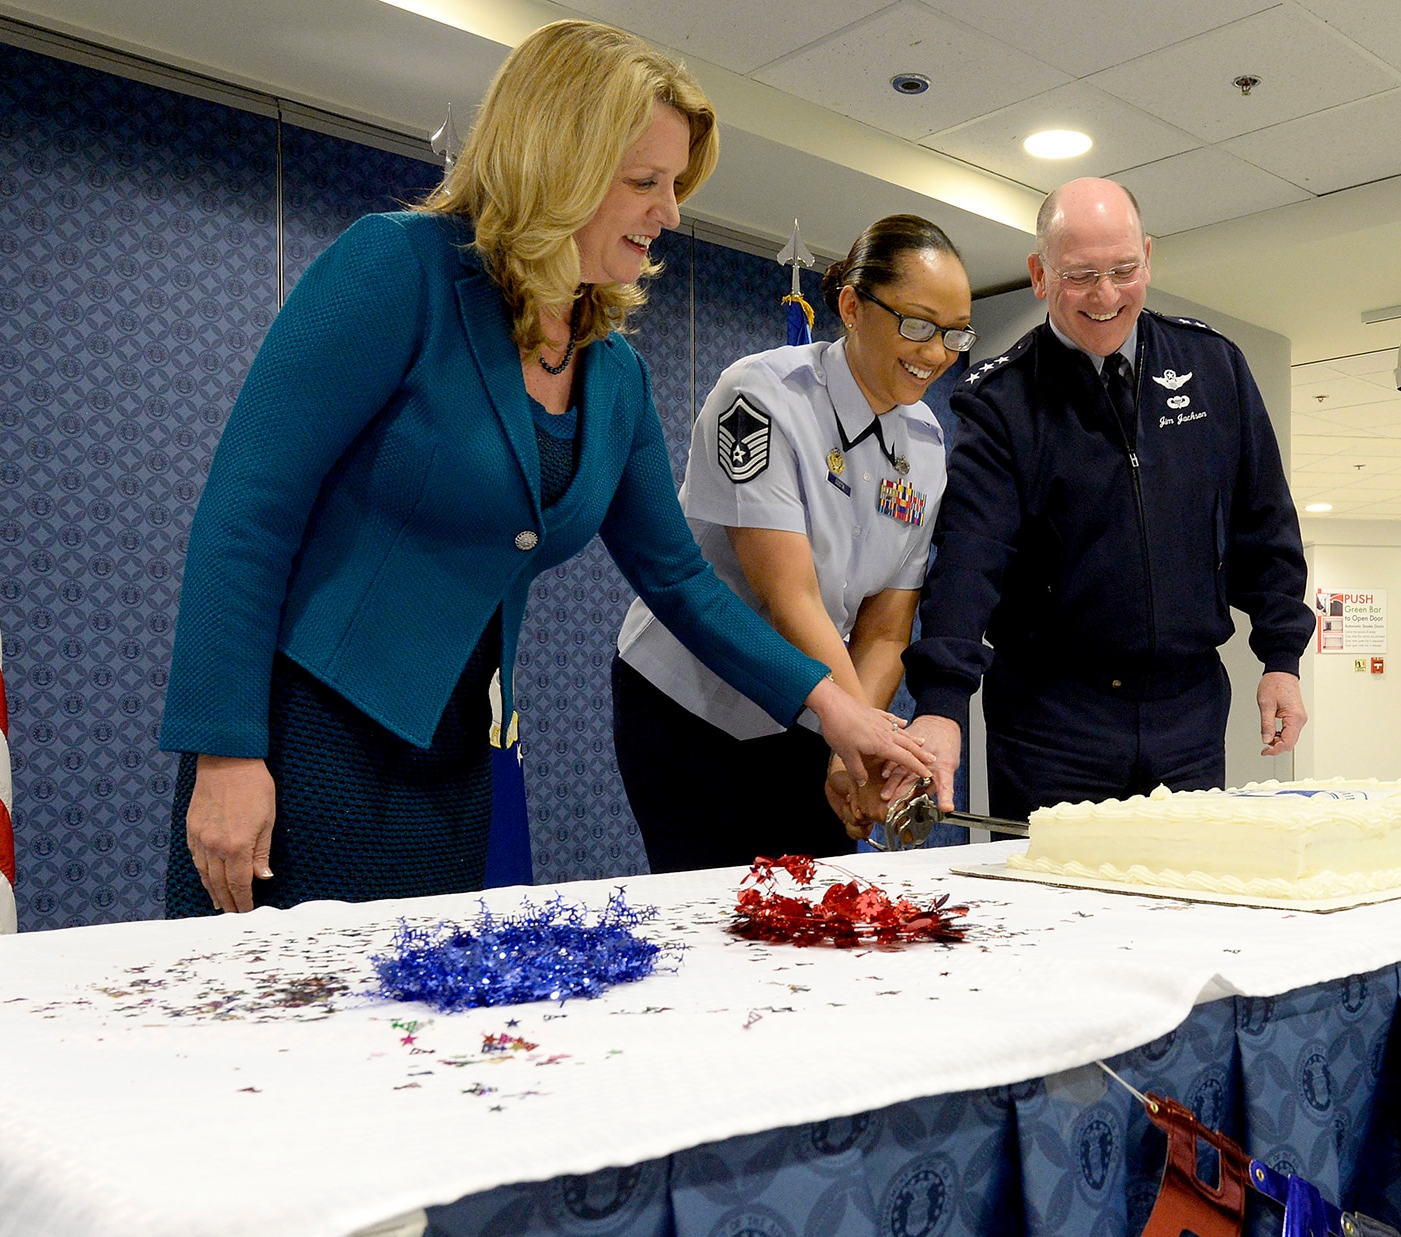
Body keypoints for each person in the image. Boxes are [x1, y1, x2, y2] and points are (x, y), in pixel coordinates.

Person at [160, 20, 931, 916]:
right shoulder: (394, 269)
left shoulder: (614, 372)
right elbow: (247, 513)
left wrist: (838, 711)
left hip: (454, 758)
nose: (671, 213)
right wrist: (225, 753)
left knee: (414, 1042)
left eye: (675, 185)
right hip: (306, 746)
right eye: (646, 182)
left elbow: (681, 580)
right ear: (555, 165)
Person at [901, 177, 1314, 820]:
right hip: (1051, 722)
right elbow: (968, 562)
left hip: (1189, 714)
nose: (1106, 295)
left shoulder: (1214, 367)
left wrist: (1281, 657)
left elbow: (1264, 526)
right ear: (1039, 274)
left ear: (1148, 257)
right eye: (1081, 275)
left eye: (1124, 270)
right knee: (1054, 912)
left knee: (1186, 901)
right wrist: (942, 705)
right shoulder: (999, 400)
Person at [612, 215, 973, 871]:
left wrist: (850, 745)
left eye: (954, 334)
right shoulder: (760, 395)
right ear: (852, 307)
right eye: (918, 324)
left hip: (818, 705)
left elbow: (888, 623)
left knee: (821, 908)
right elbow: (791, 596)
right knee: (720, 916)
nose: (936, 352)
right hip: (692, 703)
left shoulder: (925, 442)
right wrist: (852, 729)